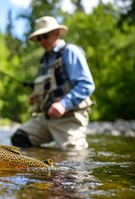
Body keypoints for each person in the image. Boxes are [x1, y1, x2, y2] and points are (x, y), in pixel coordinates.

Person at [11, 16, 95, 150]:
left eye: (45, 36)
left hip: (69, 118)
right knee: (19, 138)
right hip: (46, 120)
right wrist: (36, 97)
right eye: (39, 38)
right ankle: (42, 164)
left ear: (57, 33)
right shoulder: (44, 60)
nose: (42, 41)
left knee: (73, 159)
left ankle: (56, 162)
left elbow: (86, 85)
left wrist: (63, 105)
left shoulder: (70, 51)